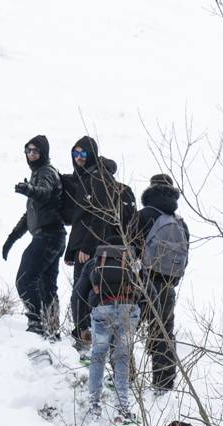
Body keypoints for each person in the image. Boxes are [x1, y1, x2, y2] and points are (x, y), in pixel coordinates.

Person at [59, 137, 137, 351]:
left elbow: (99, 216)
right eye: (75, 153)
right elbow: (80, 220)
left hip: (94, 250)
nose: (78, 158)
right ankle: (93, 341)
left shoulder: (98, 178)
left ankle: (87, 341)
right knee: (90, 296)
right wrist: (71, 252)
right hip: (93, 249)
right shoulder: (88, 179)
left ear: (92, 154)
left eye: (83, 153)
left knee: (84, 296)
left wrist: (86, 248)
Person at [0, 135, 65, 338]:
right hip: (53, 236)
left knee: (25, 279)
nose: (31, 154)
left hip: (48, 236)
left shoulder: (45, 172)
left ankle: (36, 324)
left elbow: (44, 192)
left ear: (43, 153)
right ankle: (52, 329)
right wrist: (11, 239)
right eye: (28, 150)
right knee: (47, 285)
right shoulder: (39, 172)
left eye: (36, 151)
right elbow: (30, 215)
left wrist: (30, 189)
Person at [137, 175, 189, 391]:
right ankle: (164, 382)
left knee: (127, 327)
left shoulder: (143, 215)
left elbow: (128, 245)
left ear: (151, 188)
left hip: (143, 280)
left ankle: (125, 376)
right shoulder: (180, 222)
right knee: (163, 331)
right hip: (168, 285)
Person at [85, 242, 142, 420]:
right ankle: (123, 409)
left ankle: (94, 405)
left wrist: (80, 325)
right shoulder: (133, 263)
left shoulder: (95, 262)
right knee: (122, 357)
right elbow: (150, 291)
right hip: (127, 311)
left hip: (102, 310)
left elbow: (78, 290)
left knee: (98, 355)